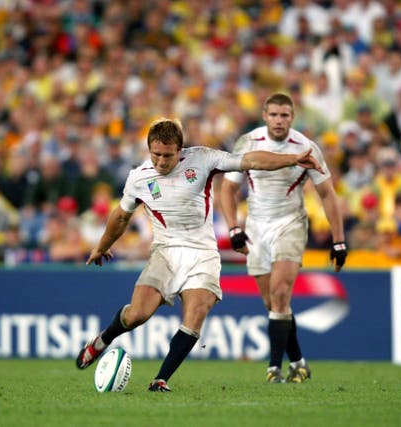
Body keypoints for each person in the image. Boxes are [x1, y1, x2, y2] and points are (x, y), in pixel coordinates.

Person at [75, 118, 324, 392]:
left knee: (196, 313)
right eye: (155, 154)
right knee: (136, 315)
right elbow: (121, 217)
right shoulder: (139, 177)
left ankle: (161, 379)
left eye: (167, 155)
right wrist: (102, 245)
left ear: (180, 150)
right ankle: (102, 340)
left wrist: (291, 159)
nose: (160, 161)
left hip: (203, 254)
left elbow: (250, 160)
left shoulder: (203, 159)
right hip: (165, 253)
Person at [220, 93, 347, 383]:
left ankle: (273, 368)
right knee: (273, 303)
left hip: (290, 223)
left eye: (285, 115)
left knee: (279, 293)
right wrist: (233, 227)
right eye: (274, 115)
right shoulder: (247, 142)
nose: (279, 120)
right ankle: (299, 362)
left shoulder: (306, 147)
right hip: (255, 226)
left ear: (293, 117)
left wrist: (338, 240)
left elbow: (327, 193)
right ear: (265, 116)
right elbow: (227, 189)